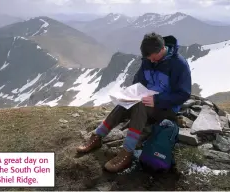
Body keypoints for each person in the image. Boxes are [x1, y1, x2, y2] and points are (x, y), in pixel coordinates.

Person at [76, 32, 192, 173]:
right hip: (146, 100)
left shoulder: (179, 64)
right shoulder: (148, 59)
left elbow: (184, 94)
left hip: (166, 109)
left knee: (140, 105)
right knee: (124, 104)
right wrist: (132, 93)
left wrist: (157, 100)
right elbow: (139, 80)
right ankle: (97, 136)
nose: (152, 61)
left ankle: (127, 153)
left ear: (162, 49)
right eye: (148, 58)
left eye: (153, 58)